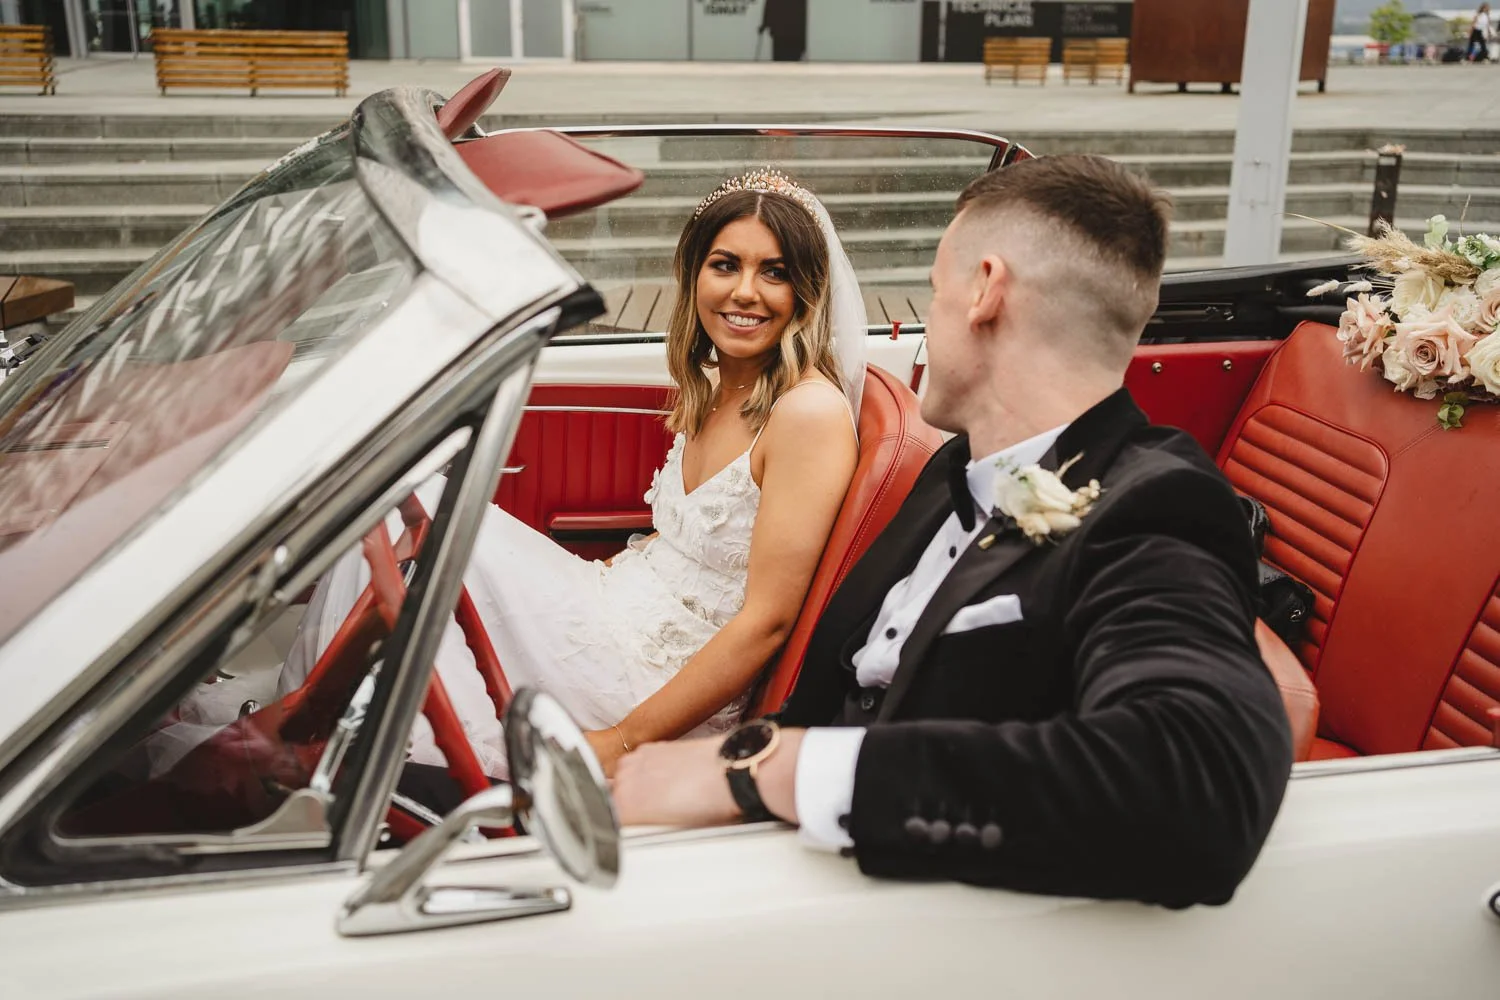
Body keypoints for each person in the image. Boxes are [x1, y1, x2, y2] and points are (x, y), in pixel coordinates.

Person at [611, 155, 1294, 910]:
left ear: (984, 292)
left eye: (932, 295)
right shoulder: (953, 472)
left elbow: (1196, 791)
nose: (919, 326)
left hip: (884, 890)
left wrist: (757, 771)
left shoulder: (1159, 510)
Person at [158, 170, 866, 787]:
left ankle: (305, 735)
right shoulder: (717, 384)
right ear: (694, 274)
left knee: (419, 518)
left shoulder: (807, 413)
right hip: (613, 604)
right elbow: (680, 547)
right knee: (398, 503)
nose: (745, 292)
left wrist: (622, 742)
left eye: (773, 272)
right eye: (725, 264)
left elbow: (765, 623)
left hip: (648, 678)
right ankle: (308, 716)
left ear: (806, 288)